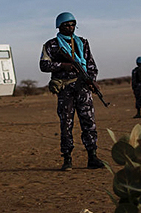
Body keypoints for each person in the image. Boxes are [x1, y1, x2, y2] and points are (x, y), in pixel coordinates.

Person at [39, 12, 104, 171]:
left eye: (72, 24)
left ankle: (92, 156)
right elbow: (43, 65)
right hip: (65, 89)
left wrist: (92, 80)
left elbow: (90, 64)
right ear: (59, 26)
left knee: (89, 122)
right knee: (66, 124)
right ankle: (67, 158)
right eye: (66, 25)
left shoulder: (82, 43)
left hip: (82, 88)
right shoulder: (52, 45)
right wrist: (62, 66)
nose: (70, 27)